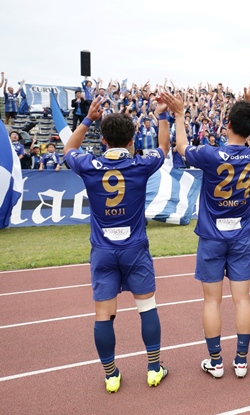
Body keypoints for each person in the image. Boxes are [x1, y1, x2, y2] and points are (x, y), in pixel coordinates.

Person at [63, 97, 170, 392]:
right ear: (132, 140)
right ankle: (153, 369)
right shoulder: (141, 164)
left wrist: (87, 119)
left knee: (103, 314)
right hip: (135, 248)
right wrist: (162, 116)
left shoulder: (88, 164)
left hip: (103, 250)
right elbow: (164, 147)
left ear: (103, 139)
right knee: (146, 307)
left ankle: (111, 375)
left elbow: (69, 149)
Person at [167, 80, 250, 379]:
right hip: (241, 235)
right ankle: (241, 361)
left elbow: (182, 148)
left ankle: (216, 361)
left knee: (212, 300)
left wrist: (180, 115)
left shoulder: (211, 154)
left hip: (212, 236)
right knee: (243, 299)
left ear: (228, 125)